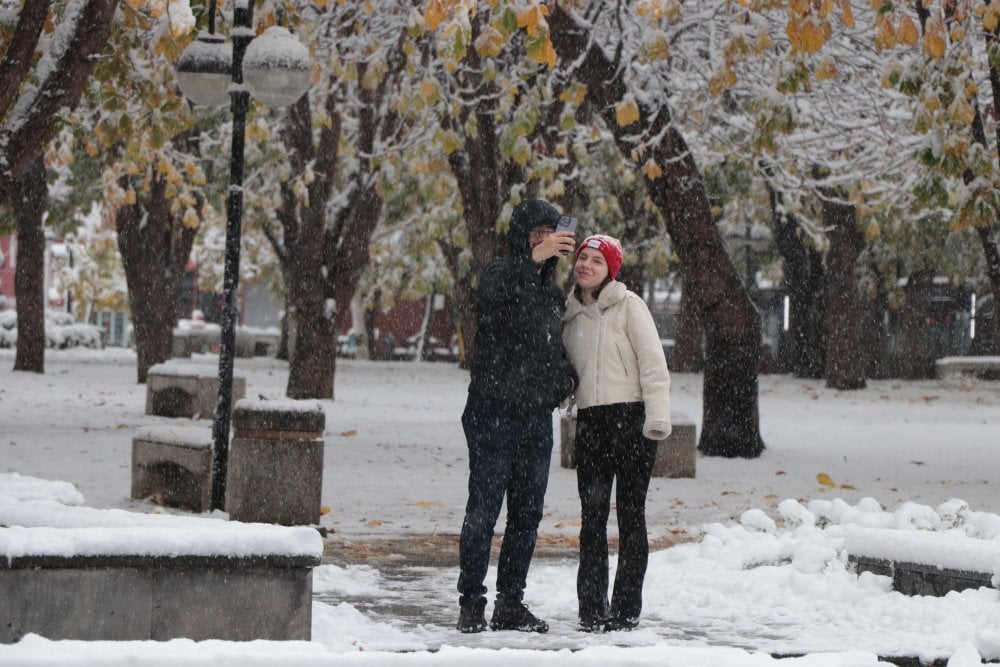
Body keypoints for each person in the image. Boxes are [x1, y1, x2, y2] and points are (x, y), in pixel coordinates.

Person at [457, 199, 578, 634]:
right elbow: (494, 289)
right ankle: (471, 602)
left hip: (534, 419)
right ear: (521, 237)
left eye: (552, 232)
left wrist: (565, 378)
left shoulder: (551, 294)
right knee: (484, 511)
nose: (545, 239)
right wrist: (532, 258)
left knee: (527, 515)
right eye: (536, 232)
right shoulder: (500, 276)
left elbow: (548, 349)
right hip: (492, 413)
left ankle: (510, 603)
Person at [562, 234, 672, 633]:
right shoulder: (569, 314)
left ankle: (625, 611)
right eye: (582, 258)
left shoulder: (629, 306)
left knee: (630, 516)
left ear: (611, 269)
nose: (585, 265)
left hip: (631, 422)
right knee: (591, 519)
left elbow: (653, 365)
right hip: (591, 423)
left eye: (595, 260)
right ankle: (591, 609)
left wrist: (657, 418)